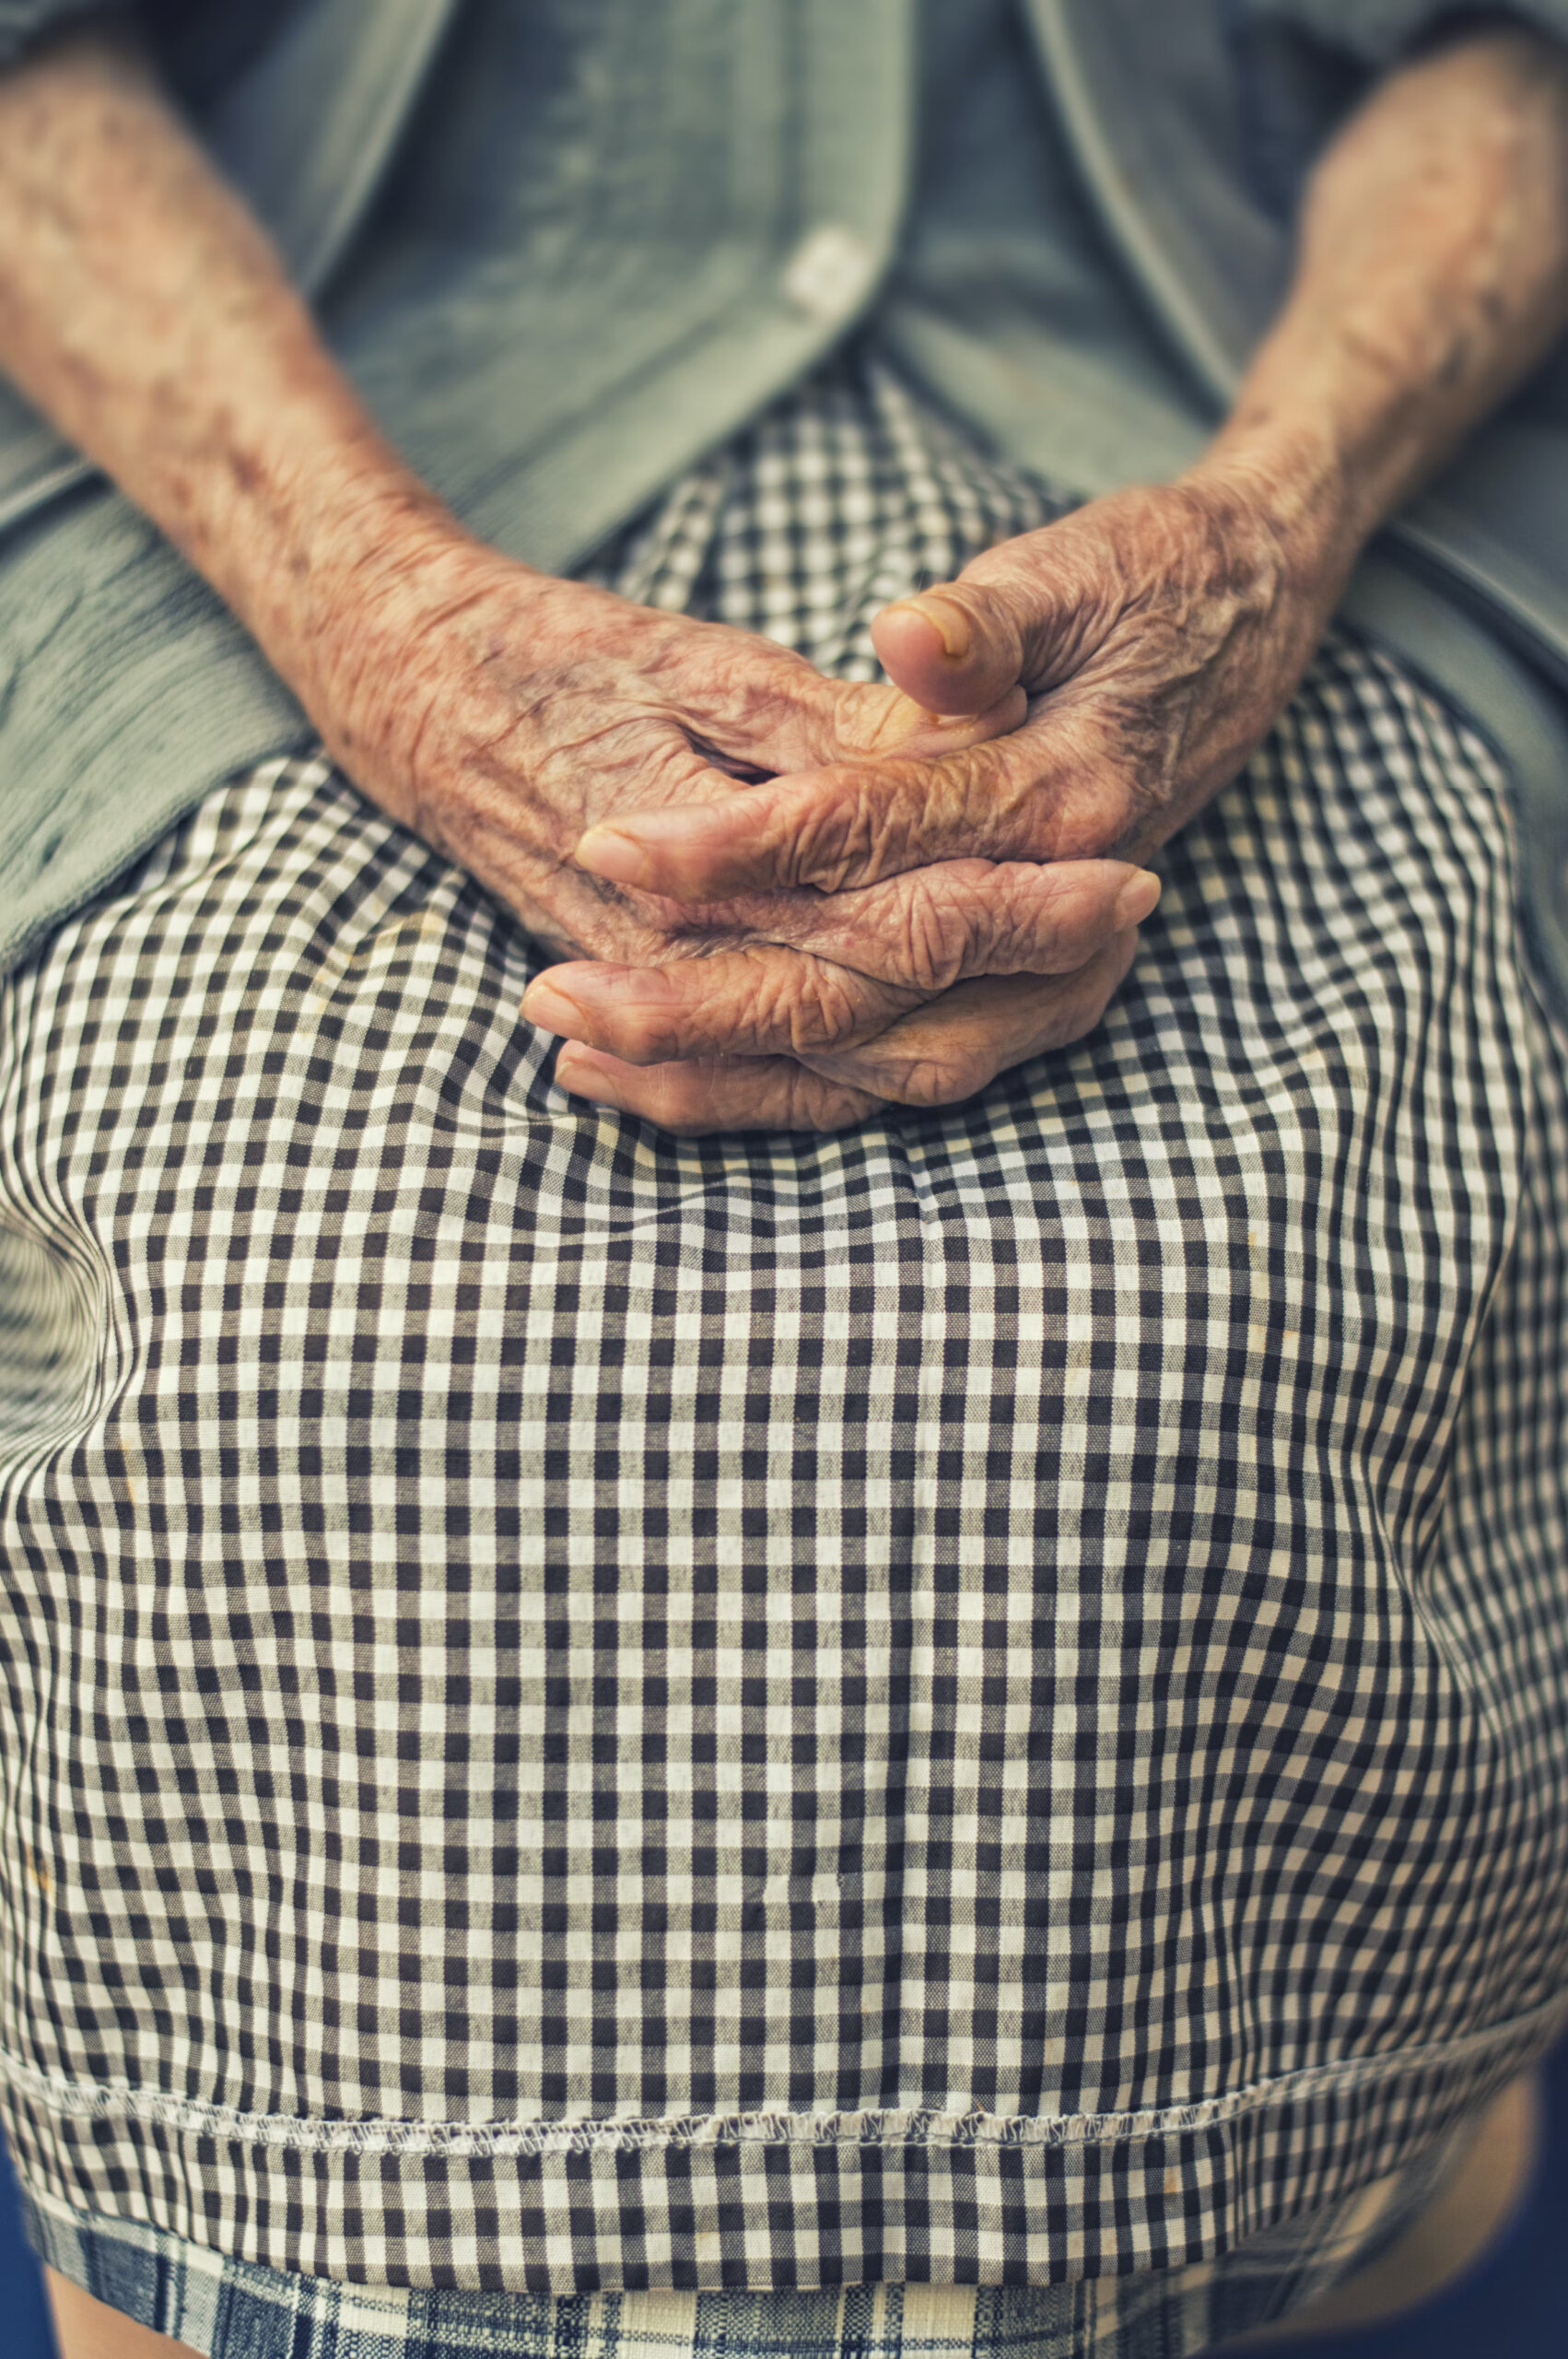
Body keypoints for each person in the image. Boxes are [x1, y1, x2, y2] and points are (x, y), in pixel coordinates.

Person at [1, 3, 1567, 2355]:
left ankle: (1371, 2190)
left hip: (1251, 408)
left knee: (1210, 1300)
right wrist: (377, 611)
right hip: (280, 439)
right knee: (299, 1327)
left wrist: (1277, 517)